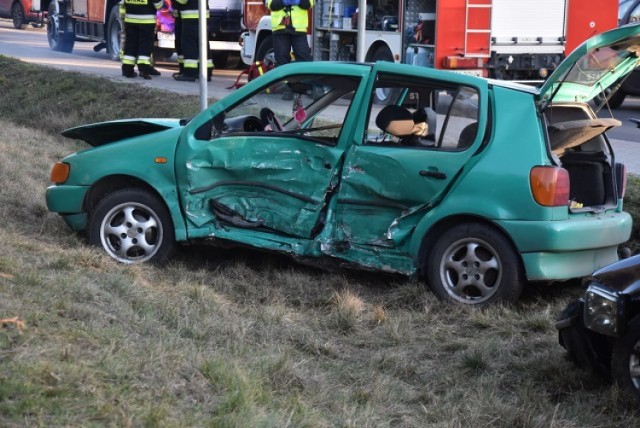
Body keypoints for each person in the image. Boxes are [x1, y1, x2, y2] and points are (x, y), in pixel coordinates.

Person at [121, 0, 165, 79]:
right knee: (145, 45)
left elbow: (120, 2)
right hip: (146, 21)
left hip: (130, 19)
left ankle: (127, 70)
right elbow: (158, 5)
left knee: (130, 45)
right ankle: (144, 69)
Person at [173, 0, 213, 82]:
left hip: (191, 15)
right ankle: (206, 72)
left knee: (189, 44)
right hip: (201, 14)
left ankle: (190, 73)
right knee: (202, 43)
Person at [265, 0, 314, 67]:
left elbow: (310, 3)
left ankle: (304, 77)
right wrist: (283, 2)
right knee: (281, 60)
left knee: (304, 60)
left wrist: (299, 1)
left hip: (299, 28)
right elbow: (270, 4)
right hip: (280, 27)